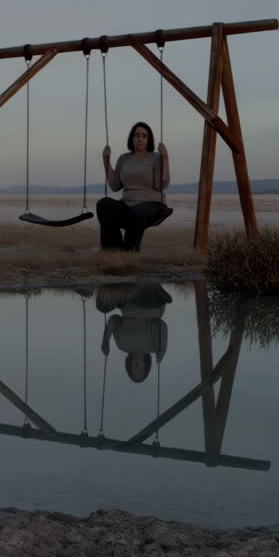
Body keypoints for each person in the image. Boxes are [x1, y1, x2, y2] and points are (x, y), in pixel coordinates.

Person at [97, 122, 170, 251]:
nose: (140, 138)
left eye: (144, 136)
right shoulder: (123, 159)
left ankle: (129, 253)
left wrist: (165, 158)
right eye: (137, 135)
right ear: (132, 138)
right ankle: (112, 251)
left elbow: (162, 185)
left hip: (152, 204)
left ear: (149, 139)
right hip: (127, 204)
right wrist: (106, 160)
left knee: (136, 212)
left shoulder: (156, 157)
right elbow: (115, 186)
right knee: (104, 204)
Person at [97, 283, 171, 383]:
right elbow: (162, 325)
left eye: (134, 371)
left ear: (129, 367)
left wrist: (106, 341)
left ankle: (115, 285)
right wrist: (162, 351)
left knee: (102, 307)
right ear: (145, 367)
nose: (137, 368)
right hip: (150, 305)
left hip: (126, 303)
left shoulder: (122, 345)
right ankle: (151, 288)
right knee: (138, 296)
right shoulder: (154, 347)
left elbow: (114, 319)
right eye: (140, 371)